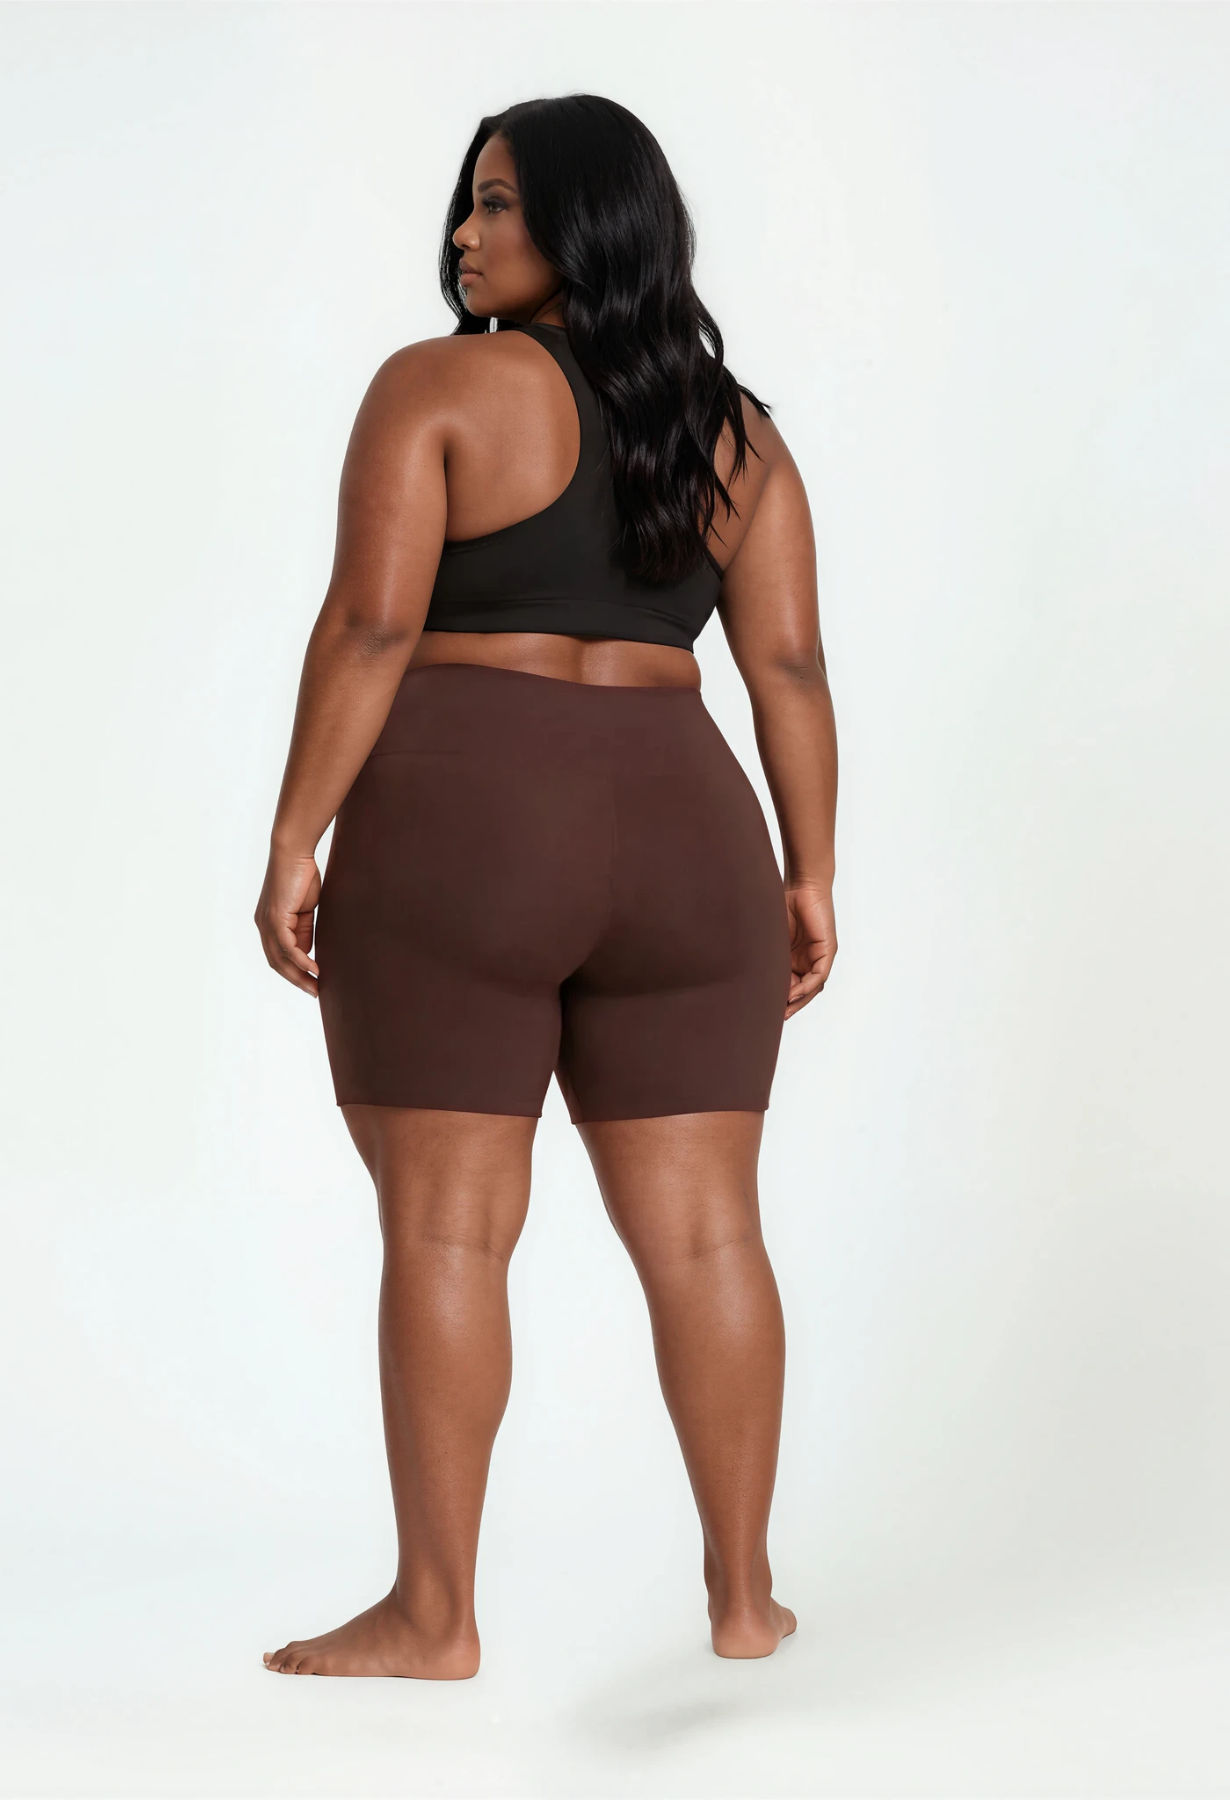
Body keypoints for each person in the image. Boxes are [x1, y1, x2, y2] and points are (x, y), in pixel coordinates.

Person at [254, 95, 837, 1681]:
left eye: (498, 202)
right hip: (690, 829)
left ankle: (433, 1615)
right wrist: (809, 873)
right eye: (466, 201)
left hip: (468, 815)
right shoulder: (737, 435)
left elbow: (371, 626)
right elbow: (785, 665)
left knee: (448, 1230)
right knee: (708, 1235)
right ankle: (743, 1600)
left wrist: (296, 834)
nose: (463, 232)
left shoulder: (437, 387)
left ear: (586, 219)